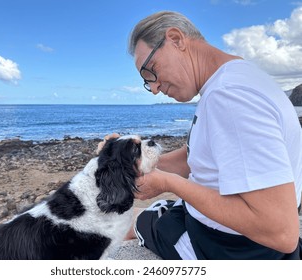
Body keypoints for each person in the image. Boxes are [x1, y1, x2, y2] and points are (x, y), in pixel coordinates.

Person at [113, 11, 302, 260]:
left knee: (137, 221)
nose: (155, 89)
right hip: (226, 232)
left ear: (176, 39)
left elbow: (281, 233)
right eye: (148, 81)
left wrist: (168, 184)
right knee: (149, 214)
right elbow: (199, 156)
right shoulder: (233, 79)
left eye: (150, 72)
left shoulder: (229, 96)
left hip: (229, 249)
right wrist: (137, 162)